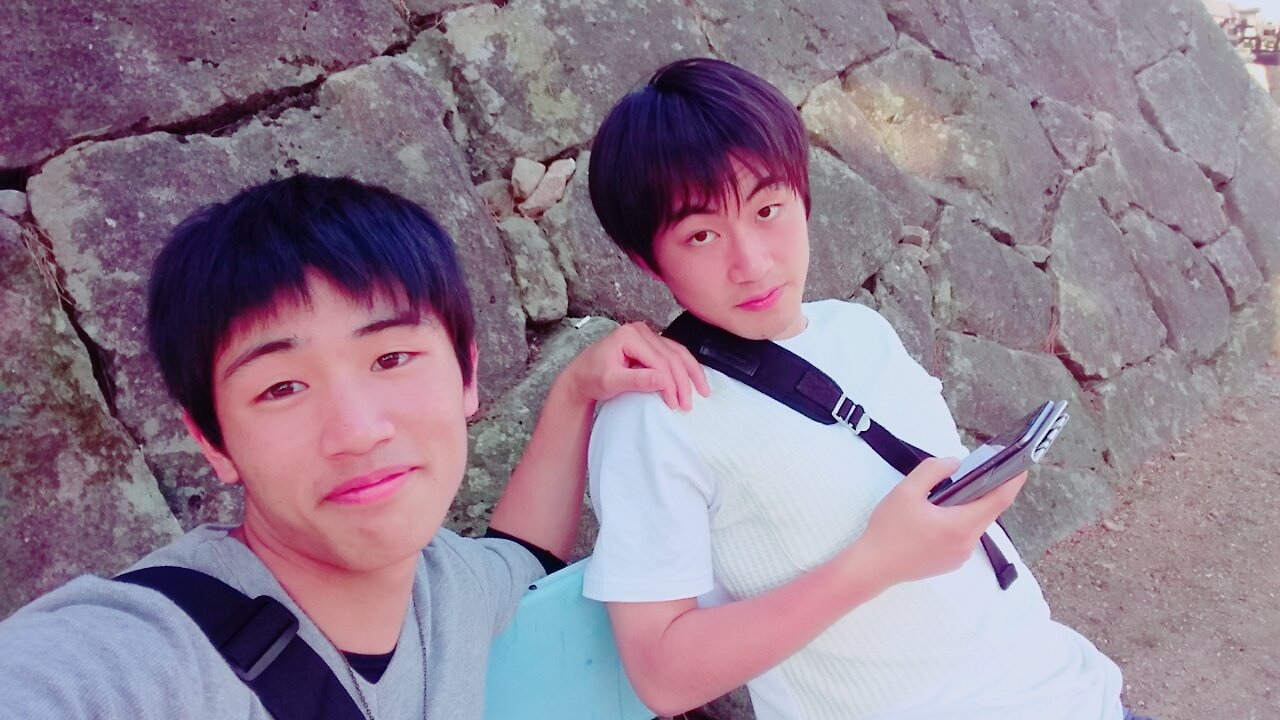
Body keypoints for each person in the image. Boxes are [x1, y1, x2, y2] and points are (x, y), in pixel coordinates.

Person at [0, 173, 706, 719]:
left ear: (466, 375)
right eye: (281, 388)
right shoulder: (140, 659)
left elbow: (524, 561)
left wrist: (574, 392)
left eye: (391, 358)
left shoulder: (443, 588)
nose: (358, 431)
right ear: (213, 442)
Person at [582, 58, 1136, 720]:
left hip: (1077, 691)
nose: (751, 261)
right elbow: (662, 677)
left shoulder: (860, 331)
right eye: (701, 234)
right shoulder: (657, 415)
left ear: (803, 197)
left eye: (768, 209)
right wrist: (874, 562)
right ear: (648, 260)